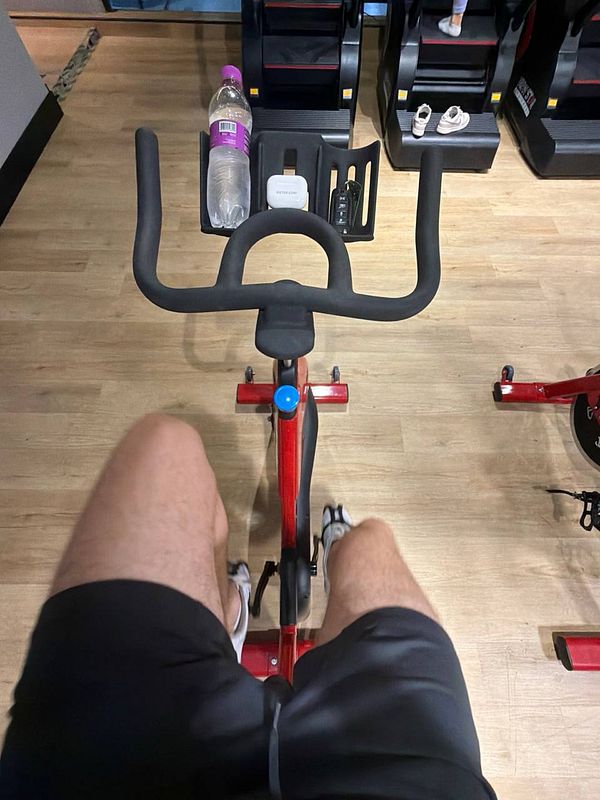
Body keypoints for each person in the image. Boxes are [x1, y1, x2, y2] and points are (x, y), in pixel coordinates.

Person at [0, 414, 496, 800]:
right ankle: (337, 543)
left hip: (118, 771)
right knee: (371, 544)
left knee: (164, 446)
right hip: (401, 781)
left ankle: (230, 613)